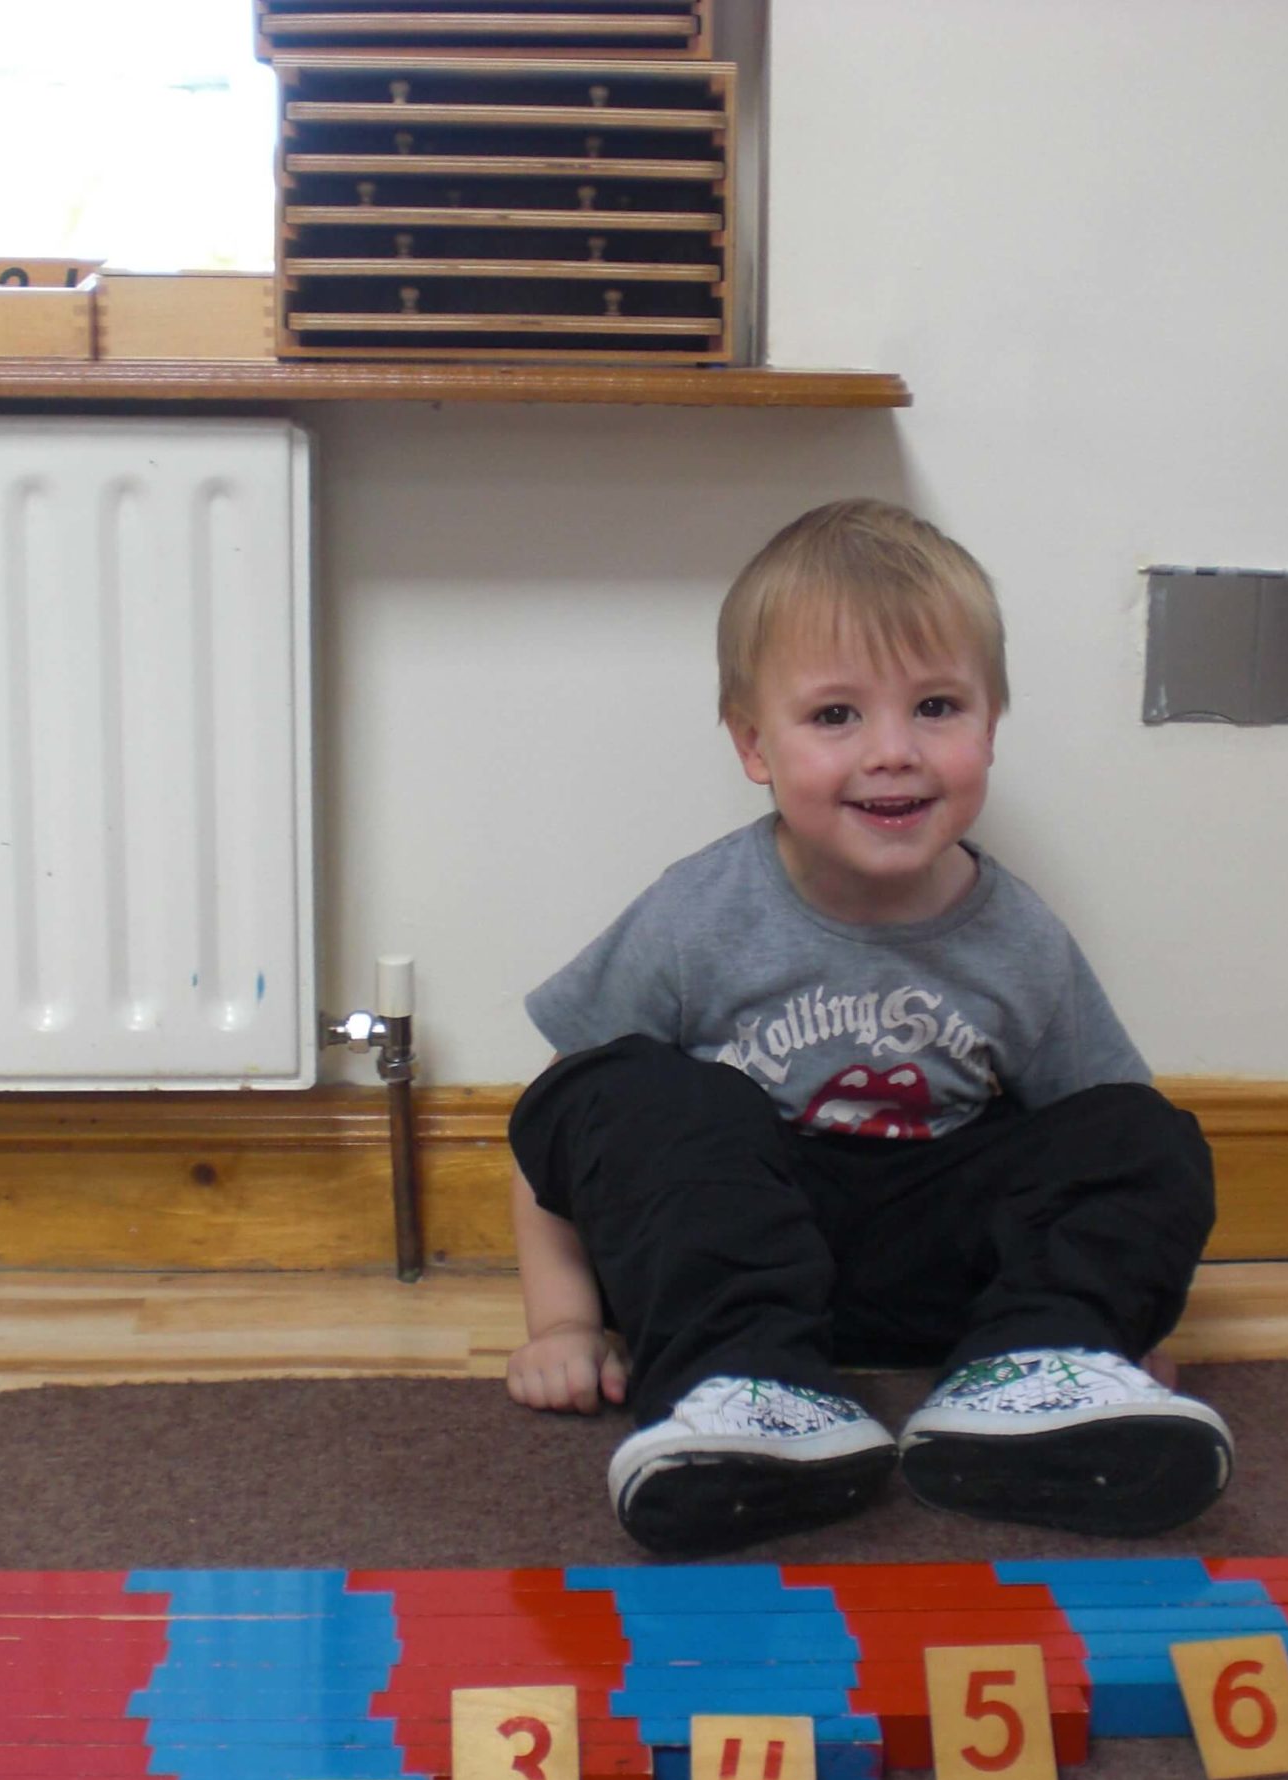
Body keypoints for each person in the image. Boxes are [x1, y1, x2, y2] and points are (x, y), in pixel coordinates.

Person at [505, 499, 1230, 1555]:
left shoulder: (1020, 936)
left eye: (935, 706)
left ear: (990, 726)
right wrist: (564, 1322)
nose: (893, 752)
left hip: (938, 1273)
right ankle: (741, 1388)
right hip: (732, 1265)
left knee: (1143, 1131)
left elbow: (1099, 1164)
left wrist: (1106, 1317)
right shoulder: (697, 914)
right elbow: (559, 1137)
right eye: (836, 715)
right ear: (753, 744)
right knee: (613, 1086)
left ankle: (1038, 1368)